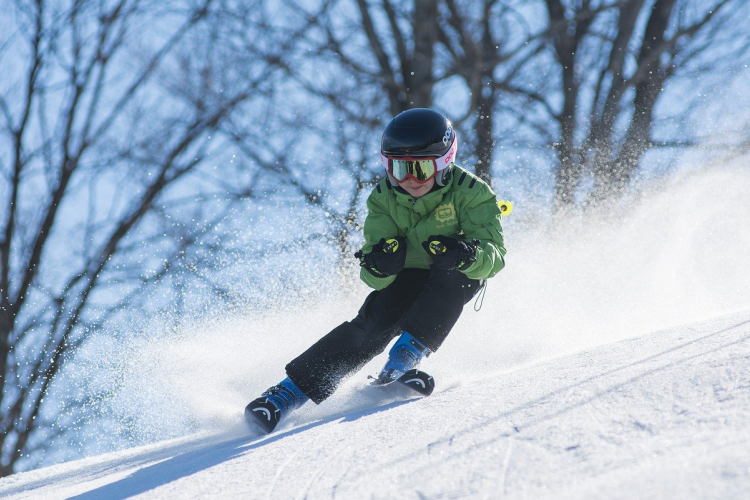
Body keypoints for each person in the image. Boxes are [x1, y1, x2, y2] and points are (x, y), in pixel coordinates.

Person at [245, 108, 506, 433]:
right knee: (373, 323)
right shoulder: (383, 197)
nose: (408, 180)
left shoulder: (472, 192)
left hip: (454, 272)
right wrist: (380, 263)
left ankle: (402, 361)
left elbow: (495, 257)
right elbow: (372, 276)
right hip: (407, 275)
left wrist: (465, 254)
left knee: (456, 278)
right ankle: (286, 395)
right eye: (398, 169)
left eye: (420, 169)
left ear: (443, 164)